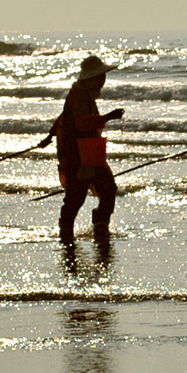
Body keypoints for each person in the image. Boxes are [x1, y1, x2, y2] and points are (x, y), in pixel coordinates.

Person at [39, 55, 124, 241]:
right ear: (93, 78)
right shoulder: (79, 94)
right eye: (101, 77)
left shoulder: (82, 93)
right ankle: (67, 230)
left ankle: (100, 225)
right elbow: (81, 124)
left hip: (90, 152)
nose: (103, 81)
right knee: (76, 196)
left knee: (108, 188)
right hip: (77, 154)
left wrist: (51, 134)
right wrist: (108, 117)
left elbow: (64, 116)